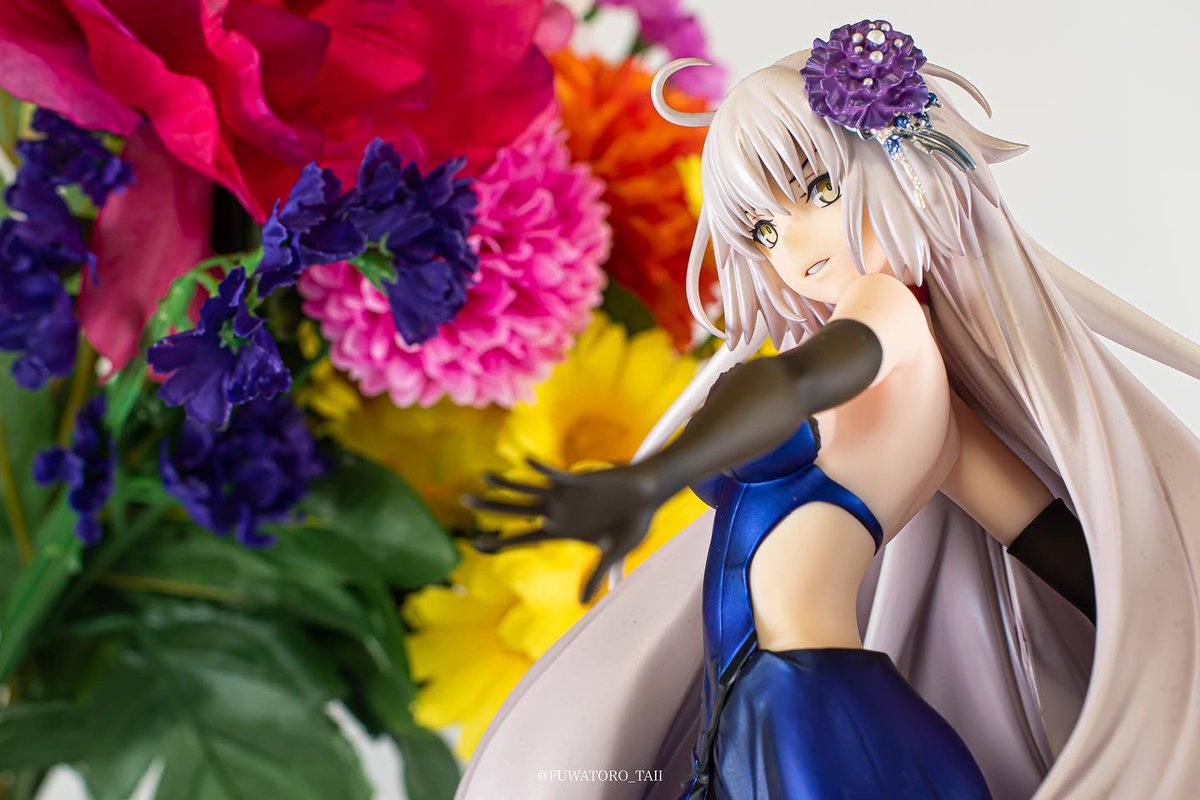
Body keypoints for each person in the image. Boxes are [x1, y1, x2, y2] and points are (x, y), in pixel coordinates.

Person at [458, 19, 1200, 800]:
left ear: (899, 166)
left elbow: (796, 385)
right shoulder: (930, 413)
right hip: (761, 709)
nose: (793, 246)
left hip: (809, 708)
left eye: (817, 190)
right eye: (762, 229)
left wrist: (650, 479)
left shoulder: (884, 308)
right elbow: (1044, 538)